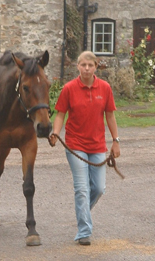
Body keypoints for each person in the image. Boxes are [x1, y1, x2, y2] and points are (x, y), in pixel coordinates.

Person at [49, 51, 120, 246]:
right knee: (81, 189)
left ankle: (83, 215)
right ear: (78, 66)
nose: (87, 68)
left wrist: (116, 141)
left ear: (96, 66)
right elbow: (60, 114)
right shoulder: (69, 88)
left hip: (97, 146)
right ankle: (84, 231)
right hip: (75, 145)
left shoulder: (104, 88)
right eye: (83, 65)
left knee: (98, 188)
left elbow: (110, 116)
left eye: (90, 65)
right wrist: (55, 132)